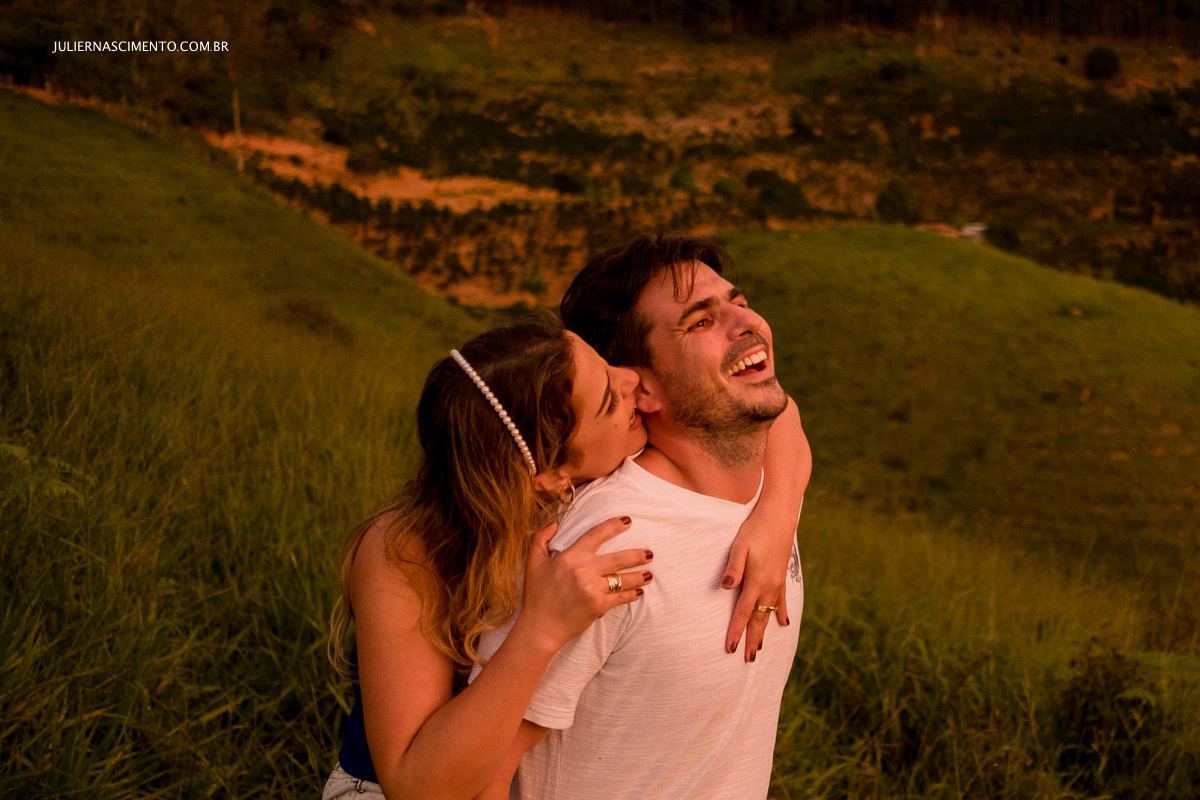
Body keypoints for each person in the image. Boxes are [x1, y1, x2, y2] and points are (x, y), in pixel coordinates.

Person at [324, 308, 808, 799]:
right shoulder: (406, 553)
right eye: (608, 400)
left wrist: (778, 512)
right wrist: (541, 629)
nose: (631, 380)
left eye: (607, 365)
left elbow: (779, 410)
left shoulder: (583, 465)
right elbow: (416, 786)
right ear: (553, 474)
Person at [473, 234, 809, 799]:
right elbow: (483, 775)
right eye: (699, 322)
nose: (747, 322)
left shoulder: (759, 478)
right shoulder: (602, 546)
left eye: (739, 300)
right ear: (639, 384)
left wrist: (780, 509)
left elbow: (787, 418)